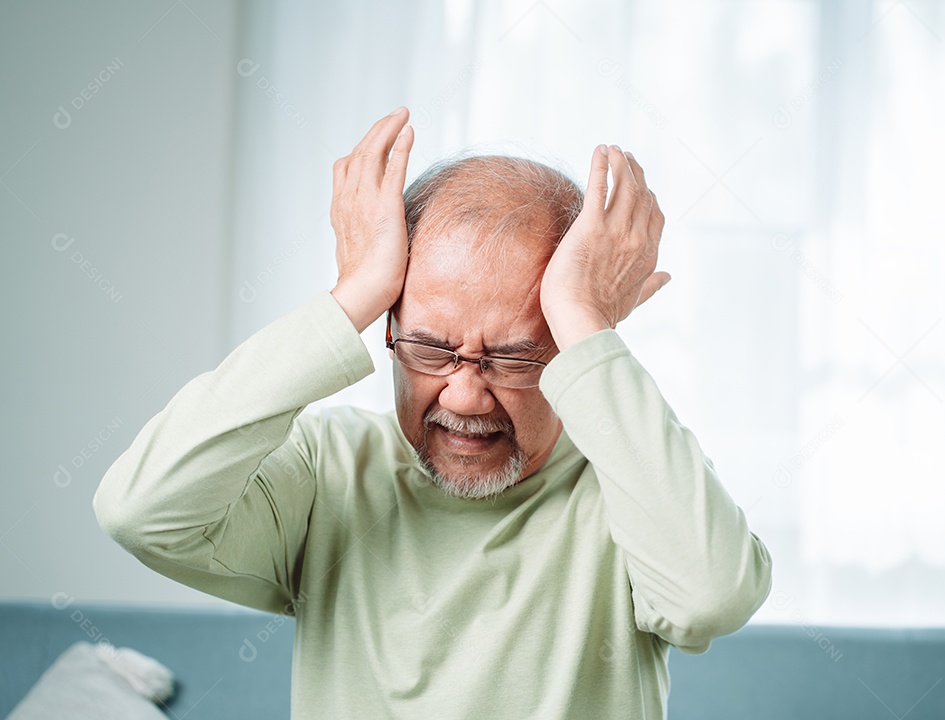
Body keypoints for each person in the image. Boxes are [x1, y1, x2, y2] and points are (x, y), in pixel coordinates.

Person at [94, 106, 772, 718]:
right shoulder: (325, 473)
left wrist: (588, 325)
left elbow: (711, 596)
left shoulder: (631, 486)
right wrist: (352, 295)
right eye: (428, 348)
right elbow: (141, 510)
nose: (465, 396)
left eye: (513, 358)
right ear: (387, 329)